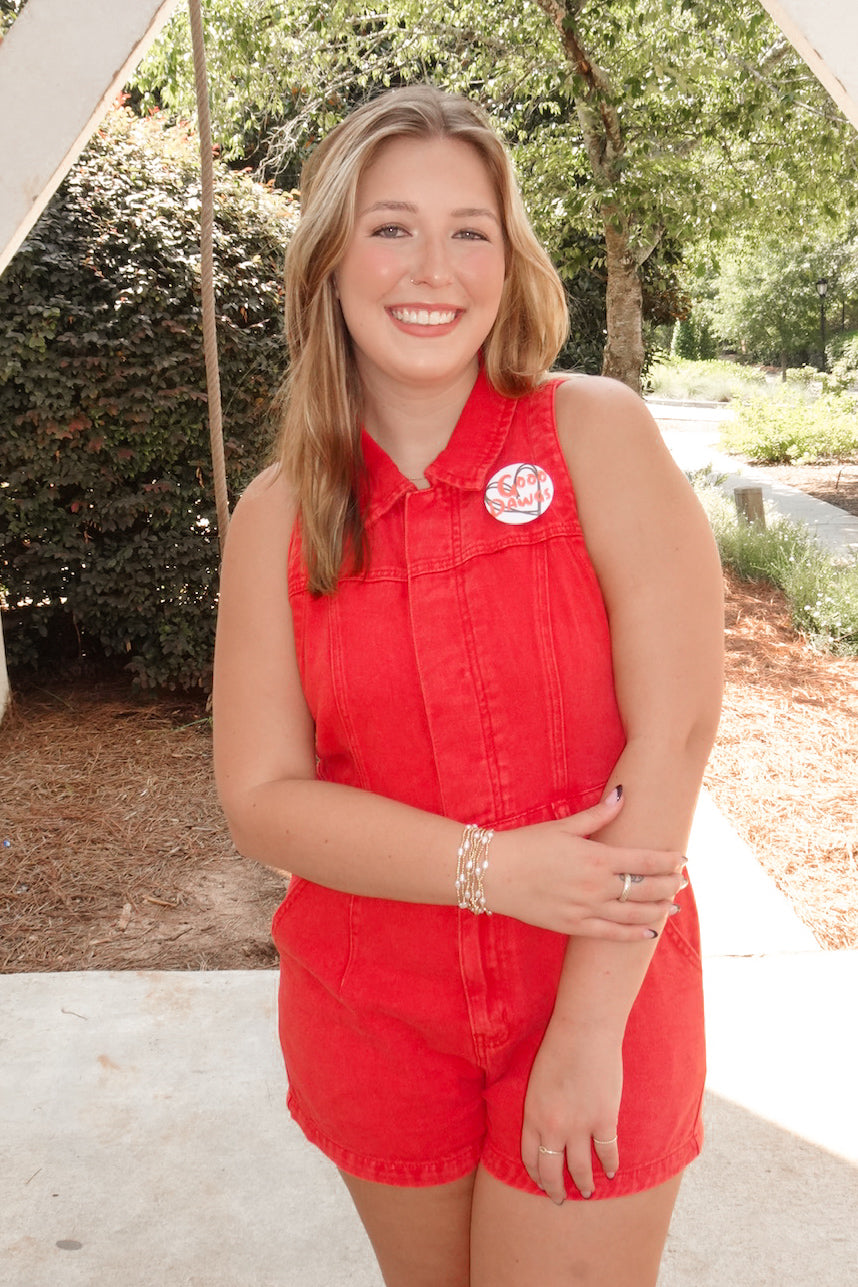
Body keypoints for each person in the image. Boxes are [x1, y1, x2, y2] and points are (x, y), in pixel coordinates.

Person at [213, 84, 723, 1287]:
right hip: (373, 1010)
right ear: (331, 261)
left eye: (469, 230)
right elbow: (263, 799)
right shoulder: (278, 516)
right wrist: (498, 870)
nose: (429, 267)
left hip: (601, 986)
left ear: (509, 261)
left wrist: (588, 1034)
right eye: (390, 227)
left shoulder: (595, 434)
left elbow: (677, 733)